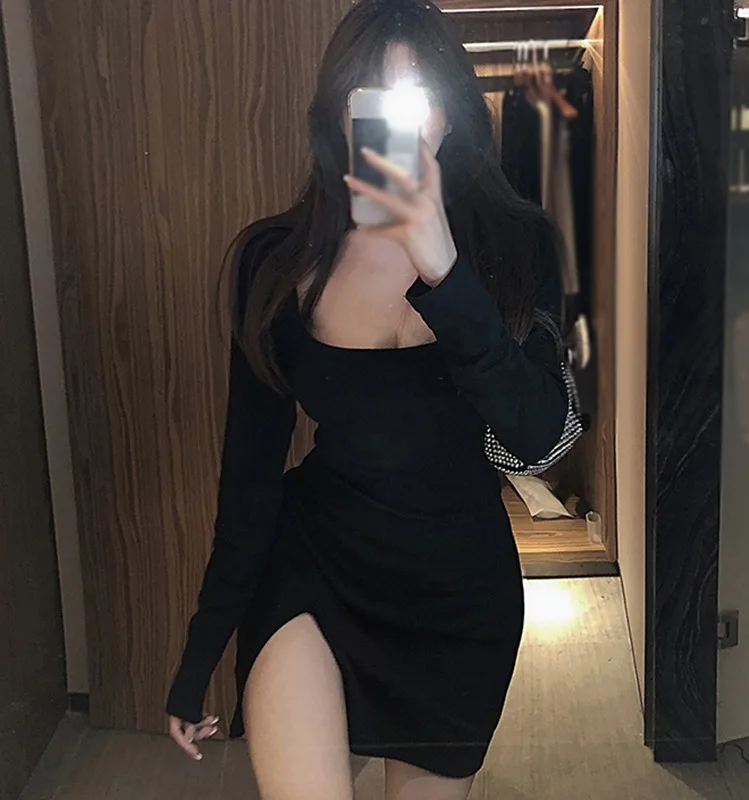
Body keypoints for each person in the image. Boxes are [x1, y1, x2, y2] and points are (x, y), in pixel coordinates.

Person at [166, 1, 568, 798]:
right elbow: (248, 479)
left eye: (417, 97)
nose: (399, 122)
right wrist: (202, 647)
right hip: (317, 568)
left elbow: (537, 438)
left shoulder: (517, 245)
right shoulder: (278, 260)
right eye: (372, 97)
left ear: (452, 112)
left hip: (457, 598)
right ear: (340, 113)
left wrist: (444, 271)